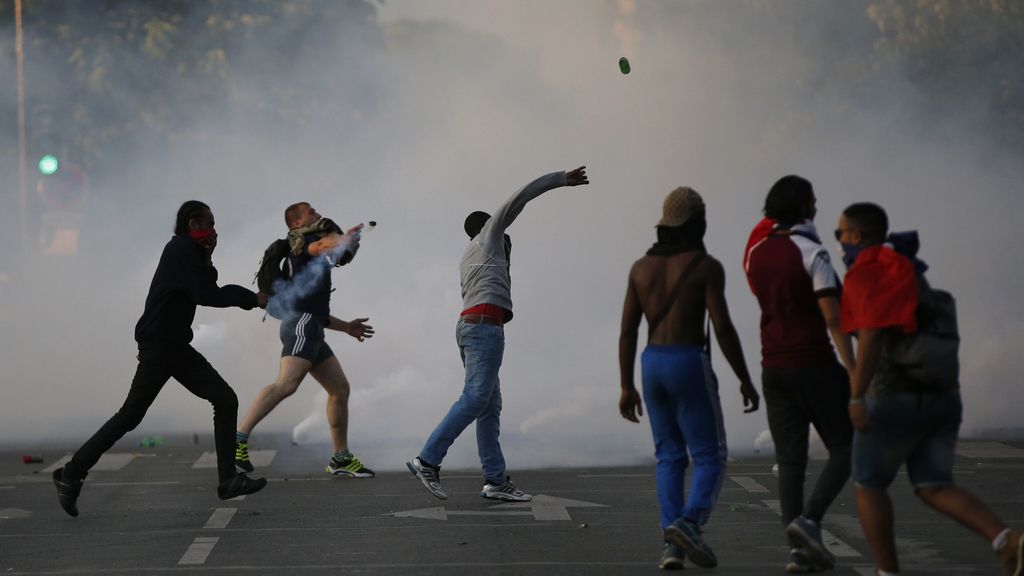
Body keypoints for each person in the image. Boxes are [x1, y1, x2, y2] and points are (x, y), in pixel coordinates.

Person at [837, 202, 1023, 576]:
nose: (839, 242)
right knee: (933, 485)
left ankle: (887, 572)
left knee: (868, 484)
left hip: (892, 397)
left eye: (840, 234)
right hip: (942, 399)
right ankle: (1008, 542)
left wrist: (857, 395)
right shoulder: (909, 271)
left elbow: (871, 335)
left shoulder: (867, 273)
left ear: (857, 236)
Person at [52, 201, 268, 517]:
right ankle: (71, 472)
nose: (214, 231)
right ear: (193, 224)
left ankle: (228, 481)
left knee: (224, 399)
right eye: (209, 224)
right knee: (129, 416)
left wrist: (208, 255)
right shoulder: (179, 249)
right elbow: (207, 295)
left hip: (175, 346)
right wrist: (254, 299)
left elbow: (206, 286)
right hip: (160, 345)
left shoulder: (191, 253)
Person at [406, 166, 589, 502]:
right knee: (476, 398)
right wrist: (561, 179)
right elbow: (518, 198)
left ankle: (494, 481)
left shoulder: (470, 254)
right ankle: (427, 460)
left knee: (489, 405)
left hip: (471, 328)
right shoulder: (488, 239)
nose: (507, 241)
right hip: (484, 329)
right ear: (489, 227)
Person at [619, 187, 760, 570]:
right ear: (696, 222)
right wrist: (745, 379)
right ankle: (688, 522)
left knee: (669, 456)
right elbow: (724, 328)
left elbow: (628, 331)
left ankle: (672, 545)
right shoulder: (705, 265)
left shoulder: (640, 268)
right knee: (710, 455)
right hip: (687, 360)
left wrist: (626, 384)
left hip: (651, 364)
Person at [743, 175, 854, 573]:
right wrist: (854, 371)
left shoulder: (757, 253)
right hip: (814, 363)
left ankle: (799, 549)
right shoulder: (813, 252)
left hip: (772, 367)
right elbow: (833, 318)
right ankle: (810, 520)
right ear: (803, 206)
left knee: (791, 462)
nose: (817, 207)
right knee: (847, 448)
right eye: (813, 201)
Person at [235, 202, 376, 478]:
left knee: (339, 390)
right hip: (302, 326)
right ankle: (237, 440)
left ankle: (340, 458)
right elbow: (321, 248)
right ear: (297, 223)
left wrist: (347, 327)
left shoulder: (304, 250)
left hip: (310, 326)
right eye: (311, 211)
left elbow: (314, 309)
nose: (318, 212)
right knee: (286, 384)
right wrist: (343, 239)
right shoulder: (305, 244)